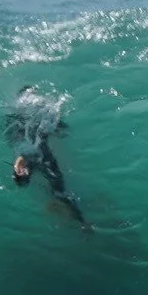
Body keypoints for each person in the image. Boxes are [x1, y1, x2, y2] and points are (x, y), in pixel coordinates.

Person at [6, 90, 88, 228]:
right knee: (58, 190)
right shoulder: (34, 151)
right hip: (39, 153)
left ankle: (81, 220)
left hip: (37, 151)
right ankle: (81, 220)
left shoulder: (25, 141)